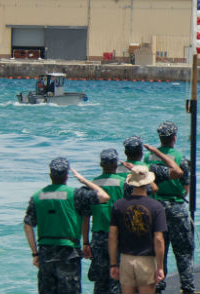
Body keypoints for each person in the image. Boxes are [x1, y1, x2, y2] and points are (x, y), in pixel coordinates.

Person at [23, 157, 111, 294]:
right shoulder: (75, 194)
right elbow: (104, 196)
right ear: (66, 176)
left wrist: (35, 253)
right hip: (69, 252)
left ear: (50, 175)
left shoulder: (37, 196)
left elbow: (28, 225)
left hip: (46, 252)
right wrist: (83, 180)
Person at [146, 121, 194, 293]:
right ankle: (187, 287)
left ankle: (158, 286)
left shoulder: (147, 158)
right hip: (176, 206)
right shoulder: (180, 158)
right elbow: (186, 187)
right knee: (183, 251)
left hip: (155, 207)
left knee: (158, 251)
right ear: (174, 138)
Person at [109, 165, 167, 294]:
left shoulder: (119, 205)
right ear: (147, 183)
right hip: (146, 261)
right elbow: (159, 239)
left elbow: (112, 236)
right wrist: (160, 267)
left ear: (131, 183)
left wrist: (113, 264)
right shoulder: (156, 207)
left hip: (126, 259)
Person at [83, 149, 126, 294]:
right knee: (118, 278)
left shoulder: (92, 185)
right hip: (119, 236)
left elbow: (86, 216)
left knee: (100, 281)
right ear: (116, 164)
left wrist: (85, 242)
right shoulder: (124, 183)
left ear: (101, 164)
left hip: (98, 237)